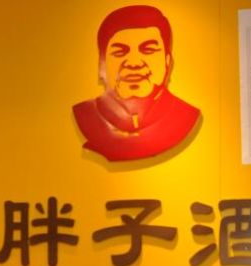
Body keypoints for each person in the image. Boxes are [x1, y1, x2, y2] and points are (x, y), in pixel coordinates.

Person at [72, 5, 201, 162]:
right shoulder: (86, 114)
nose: (134, 63)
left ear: (167, 61)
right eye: (120, 52)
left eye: (148, 50)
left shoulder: (184, 116)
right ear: (102, 64)